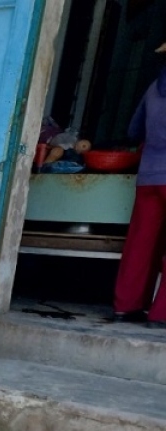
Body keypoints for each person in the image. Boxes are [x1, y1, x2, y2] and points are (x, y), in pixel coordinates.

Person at [113, 41, 166, 327]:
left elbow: (133, 130)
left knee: (140, 244)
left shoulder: (152, 89)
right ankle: (161, 314)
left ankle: (126, 306)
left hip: (148, 177)